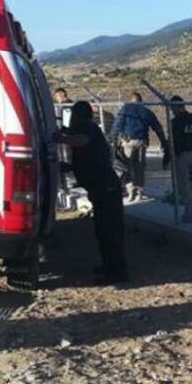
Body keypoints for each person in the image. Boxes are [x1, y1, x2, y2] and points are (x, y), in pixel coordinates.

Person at [60, 100, 127, 284]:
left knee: (109, 231)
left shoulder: (88, 127)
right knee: (102, 231)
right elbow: (84, 159)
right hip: (100, 189)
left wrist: (61, 138)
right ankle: (109, 266)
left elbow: (81, 141)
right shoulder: (87, 129)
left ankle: (116, 272)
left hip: (106, 188)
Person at [110, 91, 169, 202]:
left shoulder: (125, 110)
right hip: (141, 142)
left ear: (131, 100)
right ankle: (140, 192)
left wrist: (113, 141)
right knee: (139, 168)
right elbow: (157, 127)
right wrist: (163, 142)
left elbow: (117, 125)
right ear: (141, 101)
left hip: (128, 142)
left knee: (126, 167)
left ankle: (131, 190)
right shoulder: (146, 111)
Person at [170, 95, 192, 223]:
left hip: (183, 155)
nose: (172, 111)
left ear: (175, 107)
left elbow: (174, 141)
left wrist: (172, 156)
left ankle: (190, 212)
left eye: (172, 107)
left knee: (184, 185)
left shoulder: (175, 122)